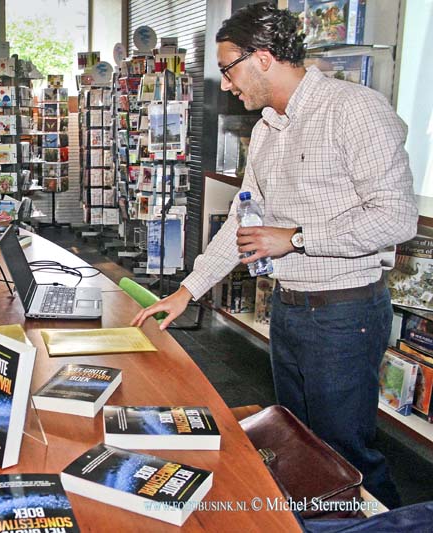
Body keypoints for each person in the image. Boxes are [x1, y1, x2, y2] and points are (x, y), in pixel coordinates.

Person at [132, 3, 417, 508]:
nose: (225, 85)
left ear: (262, 57)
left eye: (228, 68)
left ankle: (393, 521)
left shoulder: (355, 110)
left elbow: (396, 219)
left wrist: (297, 238)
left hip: (344, 314)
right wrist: (186, 291)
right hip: (289, 310)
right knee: (301, 444)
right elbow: (245, 223)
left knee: (346, 452)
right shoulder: (266, 130)